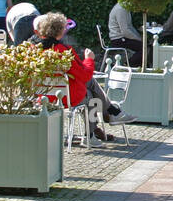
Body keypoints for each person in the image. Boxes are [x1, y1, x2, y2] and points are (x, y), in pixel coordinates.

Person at [36, 12, 135, 142]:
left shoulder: (35, 49)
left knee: (89, 88)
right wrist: (89, 59)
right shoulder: (63, 51)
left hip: (43, 96)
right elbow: (84, 75)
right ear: (60, 31)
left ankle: (108, 117)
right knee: (90, 95)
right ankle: (94, 132)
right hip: (68, 97)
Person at [108, 0, 148, 64]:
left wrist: (139, 37)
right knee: (144, 48)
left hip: (121, 38)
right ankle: (127, 65)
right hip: (119, 39)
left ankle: (134, 65)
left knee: (145, 46)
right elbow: (125, 31)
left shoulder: (124, 8)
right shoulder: (121, 9)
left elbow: (129, 27)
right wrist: (139, 39)